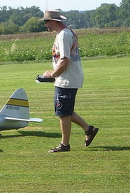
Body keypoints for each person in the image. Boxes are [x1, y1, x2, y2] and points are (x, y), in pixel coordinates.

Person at [40, 10, 98, 152]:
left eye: (46, 21)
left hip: (66, 79)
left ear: (54, 21)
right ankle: (88, 129)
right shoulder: (64, 33)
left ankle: (64, 145)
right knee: (65, 110)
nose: (46, 25)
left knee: (63, 113)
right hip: (66, 77)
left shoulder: (64, 35)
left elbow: (65, 60)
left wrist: (52, 74)